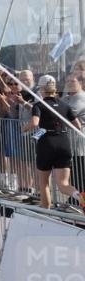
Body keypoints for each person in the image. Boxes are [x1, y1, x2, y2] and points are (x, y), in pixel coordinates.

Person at [23, 75, 82, 210]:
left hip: (47, 144)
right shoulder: (65, 105)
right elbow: (77, 125)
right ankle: (80, 197)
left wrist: (24, 128)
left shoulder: (39, 105)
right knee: (63, 184)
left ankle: (46, 208)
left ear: (42, 89)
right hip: (63, 142)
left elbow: (34, 123)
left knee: (44, 182)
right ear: (54, 89)